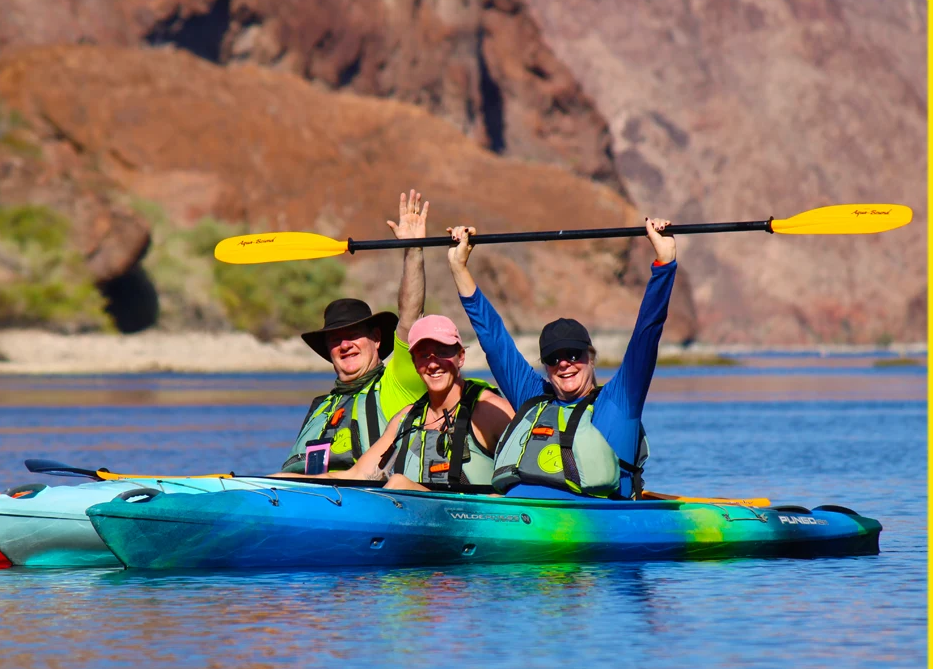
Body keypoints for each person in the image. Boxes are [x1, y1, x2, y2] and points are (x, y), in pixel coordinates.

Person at [444, 217, 677, 500]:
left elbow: (646, 334)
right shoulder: (533, 399)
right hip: (514, 517)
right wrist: (459, 267)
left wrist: (664, 264)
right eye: (553, 359)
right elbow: (494, 341)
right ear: (546, 366)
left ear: (591, 358)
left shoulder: (618, 402)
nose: (564, 364)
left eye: (573, 355)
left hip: (589, 524)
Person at [280, 190, 431, 474]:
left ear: (376, 338)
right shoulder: (322, 407)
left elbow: (410, 317)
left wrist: (414, 249)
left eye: (353, 335)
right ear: (327, 350)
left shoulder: (398, 381)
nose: (344, 344)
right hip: (309, 499)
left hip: (372, 499)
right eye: (335, 339)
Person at [295, 314, 515, 491]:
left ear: (461, 357)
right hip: (417, 526)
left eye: (442, 353)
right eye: (423, 355)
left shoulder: (488, 410)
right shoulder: (405, 419)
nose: (433, 364)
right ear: (414, 362)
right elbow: (357, 475)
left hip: (479, 527)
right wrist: (284, 481)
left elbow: (526, 480)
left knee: (398, 484)